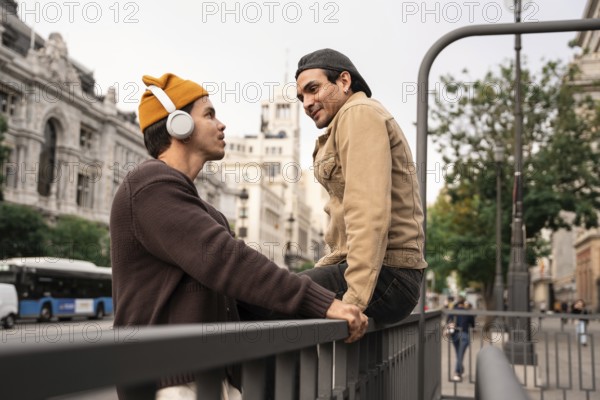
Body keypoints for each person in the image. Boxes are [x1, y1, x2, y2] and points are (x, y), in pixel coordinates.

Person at [110, 73, 368, 400]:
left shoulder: (202, 209)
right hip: (171, 382)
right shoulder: (150, 186)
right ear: (177, 125)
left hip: (212, 374)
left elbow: (239, 288)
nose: (221, 125)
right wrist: (323, 303)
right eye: (209, 114)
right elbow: (227, 261)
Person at [294, 48, 427, 324]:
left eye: (313, 89)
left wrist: (352, 303)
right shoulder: (345, 122)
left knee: (260, 299)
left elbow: (367, 213)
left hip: (386, 277)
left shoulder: (358, 113)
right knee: (274, 291)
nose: (306, 103)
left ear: (343, 82)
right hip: (379, 275)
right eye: (301, 97)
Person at [446, 297, 475, 382]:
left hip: (454, 335)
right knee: (460, 354)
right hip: (464, 335)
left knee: (458, 354)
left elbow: (448, 321)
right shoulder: (468, 312)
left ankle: (459, 370)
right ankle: (457, 373)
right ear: (464, 303)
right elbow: (472, 325)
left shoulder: (452, 311)